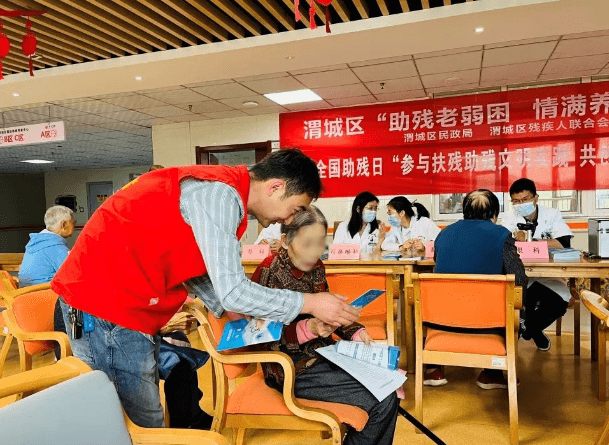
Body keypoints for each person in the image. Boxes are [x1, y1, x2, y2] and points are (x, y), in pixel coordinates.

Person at [51, 149, 359, 428]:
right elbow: (233, 290)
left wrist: (228, 308)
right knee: (135, 424)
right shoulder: (219, 195)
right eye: (295, 209)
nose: (289, 219)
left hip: (111, 304)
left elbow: (196, 268)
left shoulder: (220, 191)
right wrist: (311, 302)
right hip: (104, 307)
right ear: (276, 187)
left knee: (130, 416)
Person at [249, 206, 399, 445]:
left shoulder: (317, 267)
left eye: (320, 243)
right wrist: (309, 329)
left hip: (325, 356)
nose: (315, 252)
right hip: (291, 369)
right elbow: (260, 338)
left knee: (388, 385)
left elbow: (331, 310)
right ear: (285, 241)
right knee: (384, 399)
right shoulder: (268, 273)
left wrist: (356, 332)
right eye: (307, 244)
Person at [428, 189, 527, 389]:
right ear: (494, 215)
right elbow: (518, 279)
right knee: (515, 302)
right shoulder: (502, 235)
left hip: (440, 322)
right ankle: (491, 373)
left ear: (464, 212)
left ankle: (432, 369)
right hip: (487, 323)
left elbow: (439, 265)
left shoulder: (444, 234)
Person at [501, 178, 572, 351]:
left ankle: (529, 330)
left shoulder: (552, 214)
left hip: (548, 276)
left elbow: (563, 242)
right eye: (516, 201)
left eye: (525, 199)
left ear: (535, 198)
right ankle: (534, 331)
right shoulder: (509, 218)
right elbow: (503, 243)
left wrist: (530, 241)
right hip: (520, 274)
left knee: (559, 302)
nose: (521, 204)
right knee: (524, 297)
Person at [19, 205, 75, 287]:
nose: (74, 227)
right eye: (73, 223)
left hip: (25, 291)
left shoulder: (37, 242)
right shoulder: (54, 246)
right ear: (64, 225)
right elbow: (73, 274)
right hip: (43, 291)